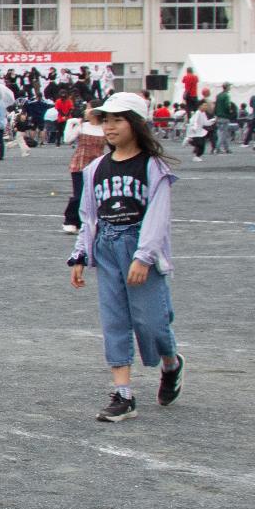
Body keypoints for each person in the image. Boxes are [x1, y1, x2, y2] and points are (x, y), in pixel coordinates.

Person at [69, 93, 182, 423]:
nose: (110, 126)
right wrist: (80, 254)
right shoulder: (95, 169)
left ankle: (171, 364)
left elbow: (158, 216)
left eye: (118, 119)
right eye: (106, 119)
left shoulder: (152, 166)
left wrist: (144, 256)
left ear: (136, 123)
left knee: (152, 321)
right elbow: (89, 216)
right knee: (114, 320)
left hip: (139, 245)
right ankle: (123, 394)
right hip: (107, 247)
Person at [62, 110, 106, 233]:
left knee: (94, 195)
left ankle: (87, 221)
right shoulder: (82, 126)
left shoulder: (104, 128)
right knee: (79, 194)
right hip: (80, 163)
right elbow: (67, 139)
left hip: (97, 165)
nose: (85, 110)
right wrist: (70, 123)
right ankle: (70, 220)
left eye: (88, 108)